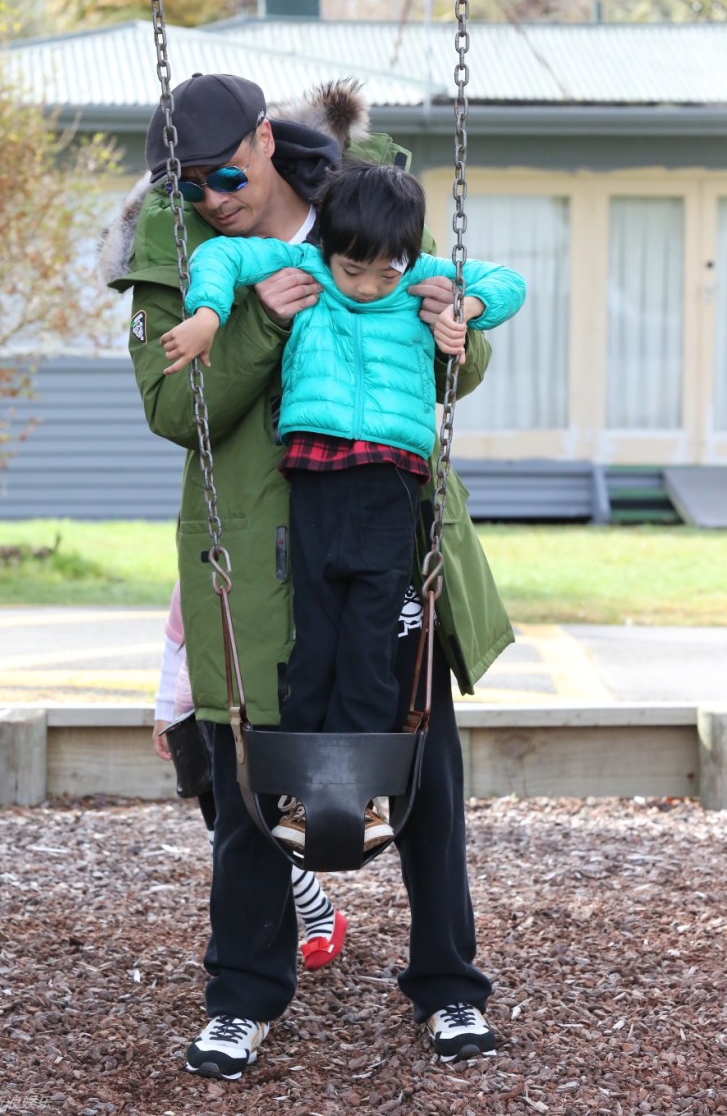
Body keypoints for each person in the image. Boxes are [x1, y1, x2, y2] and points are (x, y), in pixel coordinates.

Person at [100, 72, 525, 1081]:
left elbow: (455, 368)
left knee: (424, 768)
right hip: (254, 546)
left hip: (386, 528)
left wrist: (454, 329)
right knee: (252, 776)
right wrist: (258, 320)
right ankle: (243, 1000)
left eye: (224, 174)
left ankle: (450, 987)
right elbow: (172, 408)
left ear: (263, 138)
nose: (210, 198)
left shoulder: (365, 205)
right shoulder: (182, 251)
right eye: (186, 184)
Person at [158, 159, 521, 855]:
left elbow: (509, 282)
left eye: (387, 272)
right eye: (353, 269)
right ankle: (306, 791)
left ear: (405, 258)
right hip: (316, 480)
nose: (368, 286)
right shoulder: (307, 266)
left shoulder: (418, 278)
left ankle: (362, 790)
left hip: (390, 483)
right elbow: (222, 256)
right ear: (329, 249)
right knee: (315, 643)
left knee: (369, 645)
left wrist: (462, 309)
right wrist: (208, 315)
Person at [153, 579, 348, 969]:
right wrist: (163, 712)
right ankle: (256, 926)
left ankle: (316, 915)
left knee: (261, 829)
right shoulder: (192, 576)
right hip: (196, 718)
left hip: (245, 713)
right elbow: (175, 644)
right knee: (221, 834)